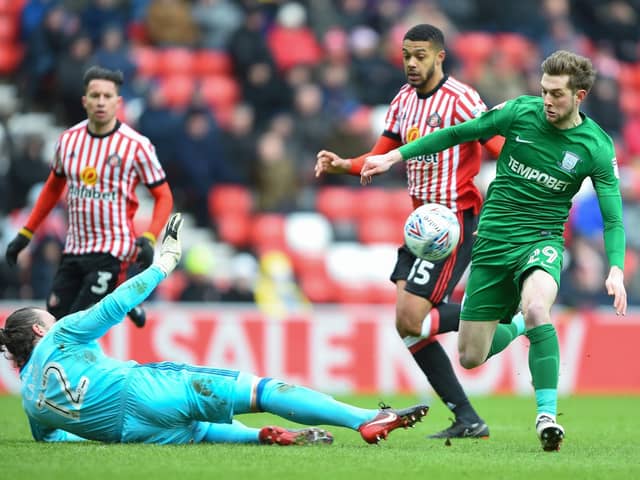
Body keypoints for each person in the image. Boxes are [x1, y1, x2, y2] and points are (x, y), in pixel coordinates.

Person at [360, 50, 627, 451]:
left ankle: (546, 416)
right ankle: (518, 326)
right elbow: (456, 134)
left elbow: (613, 218)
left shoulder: (596, 147)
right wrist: (393, 156)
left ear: (580, 96)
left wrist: (616, 268)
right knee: (470, 356)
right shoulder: (519, 113)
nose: (547, 101)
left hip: (541, 242)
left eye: (556, 94)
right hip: (491, 244)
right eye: (543, 91)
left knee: (538, 306)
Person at [0, 213, 429, 446]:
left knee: (198, 430)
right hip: (143, 388)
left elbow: (55, 442)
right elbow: (113, 305)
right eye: (46, 318)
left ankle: (262, 439)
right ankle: (367, 419)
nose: (52, 319)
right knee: (262, 390)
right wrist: (163, 265)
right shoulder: (60, 336)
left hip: (132, 434)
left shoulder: (30, 401)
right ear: (39, 332)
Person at [316, 23, 522, 439]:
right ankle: (467, 418)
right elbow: (380, 155)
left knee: (412, 319)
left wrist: (527, 179)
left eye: (420, 55)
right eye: (407, 55)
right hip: (420, 226)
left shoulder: (462, 99)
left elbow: (499, 146)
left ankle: (502, 315)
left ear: (439, 56)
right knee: (408, 326)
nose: (412, 63)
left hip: (452, 221)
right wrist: (344, 165)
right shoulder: (402, 101)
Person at [5, 66, 174, 328]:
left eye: (108, 96)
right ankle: (123, 300)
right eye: (95, 95)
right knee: (55, 323)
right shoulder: (68, 141)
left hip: (113, 250)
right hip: (74, 248)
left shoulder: (136, 145)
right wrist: (26, 233)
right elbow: (52, 188)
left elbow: (163, 196)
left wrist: (150, 236)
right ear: (85, 100)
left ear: (118, 102)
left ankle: (120, 295)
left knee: (77, 325)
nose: (101, 102)